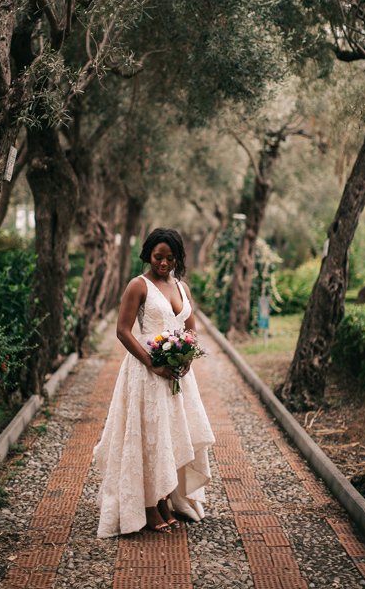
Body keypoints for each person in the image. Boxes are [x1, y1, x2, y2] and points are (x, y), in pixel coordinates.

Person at [93, 228, 215, 537]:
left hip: (177, 374)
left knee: (171, 434)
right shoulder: (138, 285)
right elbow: (123, 330)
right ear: (148, 253)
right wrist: (153, 365)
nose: (163, 263)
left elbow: (191, 330)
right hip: (146, 372)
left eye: (170, 258)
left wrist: (186, 358)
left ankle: (165, 499)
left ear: (177, 258)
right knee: (148, 435)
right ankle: (147, 505)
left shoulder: (182, 287)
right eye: (158, 257)